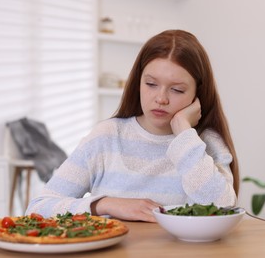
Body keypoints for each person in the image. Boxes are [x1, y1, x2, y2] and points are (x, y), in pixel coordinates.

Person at [26, 29, 239, 222]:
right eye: (151, 84)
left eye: (177, 90)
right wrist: (105, 204)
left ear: (197, 94)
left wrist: (184, 132)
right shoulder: (107, 136)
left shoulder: (204, 143)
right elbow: (39, 208)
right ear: (138, 82)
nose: (161, 98)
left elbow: (223, 209)